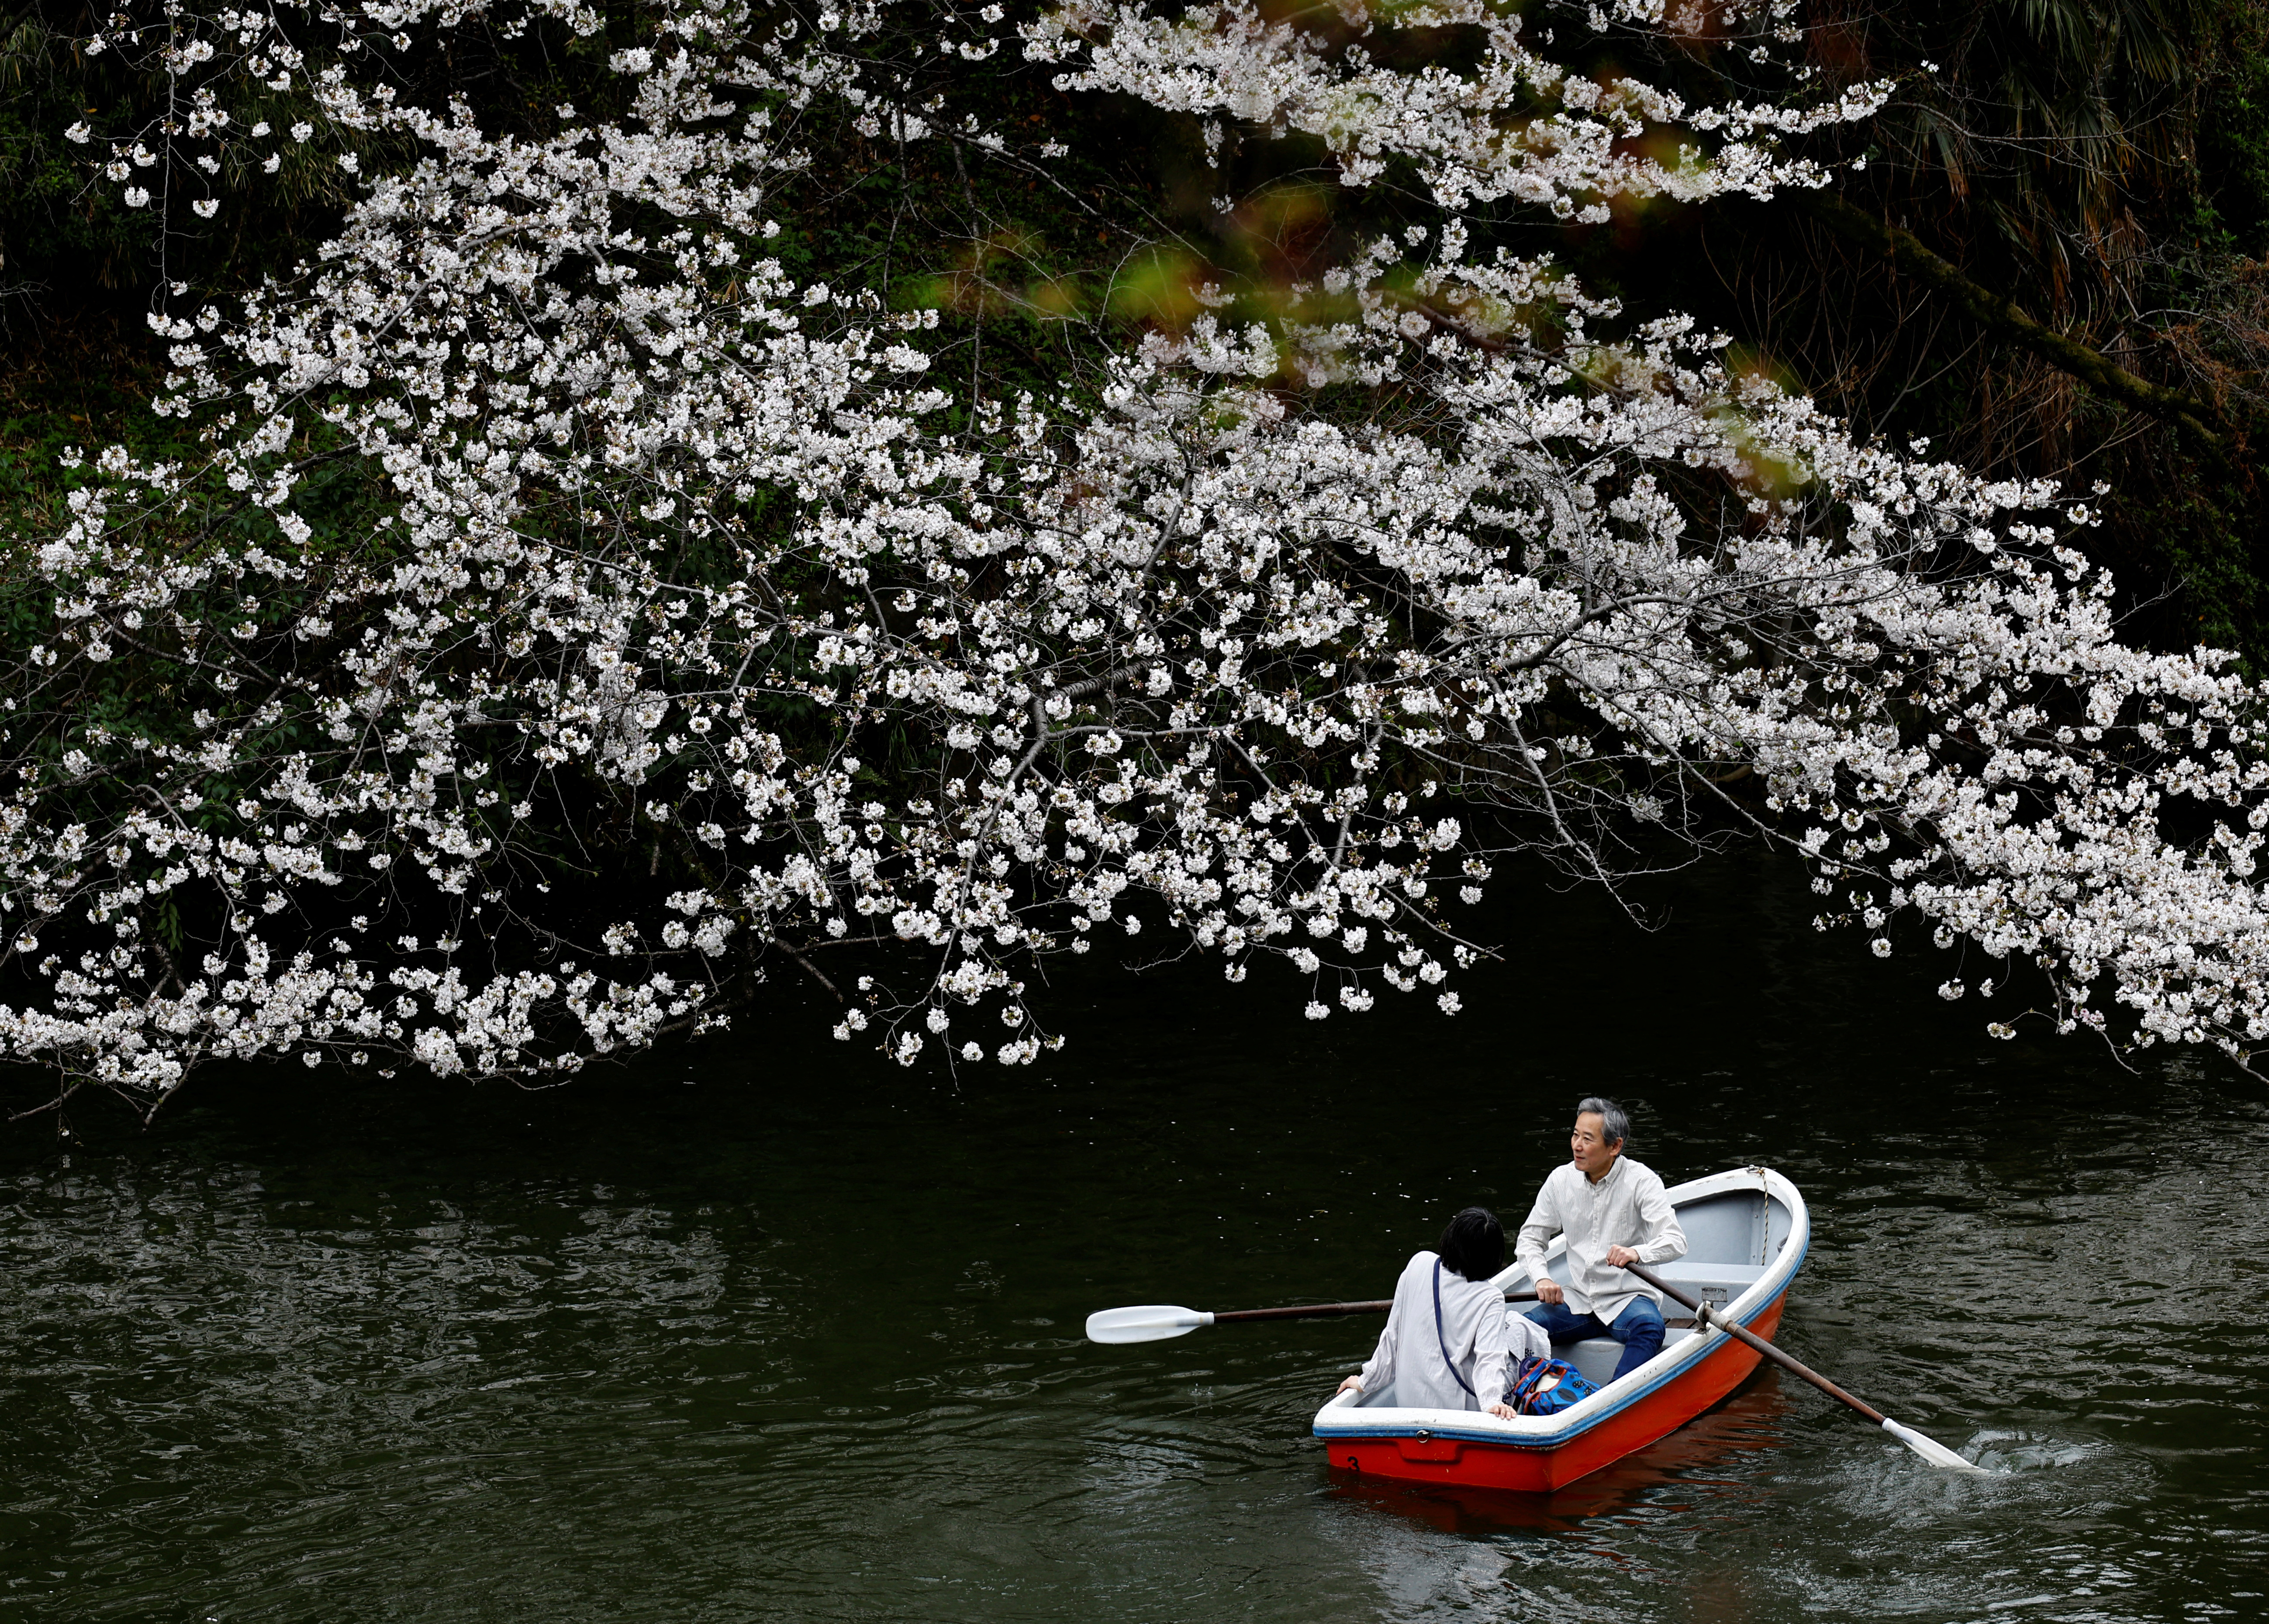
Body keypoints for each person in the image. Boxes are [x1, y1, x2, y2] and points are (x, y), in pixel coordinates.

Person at [1515, 1096, 1687, 1382]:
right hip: (1578, 1300)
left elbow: (1676, 1240)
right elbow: (1530, 1238)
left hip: (1627, 1299)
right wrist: (1541, 1278)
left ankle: (1607, 1401)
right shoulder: (1560, 1179)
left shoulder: (1642, 1180)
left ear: (1615, 1146)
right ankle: (1523, 1394)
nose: (1576, 1145)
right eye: (1574, 1134)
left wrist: (1636, 1252)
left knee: (1650, 1327)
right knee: (1522, 1326)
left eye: (1587, 1138)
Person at [1334, 1207, 1550, 1417]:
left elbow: (1393, 1335)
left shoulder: (1419, 1264)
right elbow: (1490, 1358)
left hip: (1408, 1404)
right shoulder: (1489, 1297)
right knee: (1521, 1326)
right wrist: (1492, 1404)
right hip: (1457, 1413)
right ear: (1493, 1255)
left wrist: (1366, 1382)